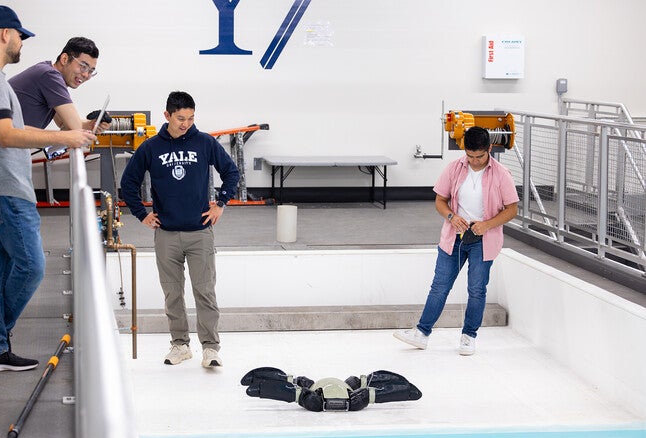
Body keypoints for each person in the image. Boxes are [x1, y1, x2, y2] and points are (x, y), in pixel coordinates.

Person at [0, 5, 96, 372]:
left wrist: (66, 133)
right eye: (20, 35)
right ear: (6, 34)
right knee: (33, 266)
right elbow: (4, 135)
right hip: (3, 189)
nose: (22, 42)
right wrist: (67, 135)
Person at [0, 36, 107, 329]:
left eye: (90, 71)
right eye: (82, 66)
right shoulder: (49, 75)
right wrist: (80, 128)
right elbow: (70, 128)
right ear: (64, 59)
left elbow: (65, 124)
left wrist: (92, 123)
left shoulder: (47, 77)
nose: (84, 75)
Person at [120, 91, 240, 368]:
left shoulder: (205, 142)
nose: (185, 123)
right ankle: (180, 345)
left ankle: (210, 348)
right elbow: (129, 183)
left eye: (190, 118)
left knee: (205, 291)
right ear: (167, 116)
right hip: (166, 234)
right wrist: (142, 215)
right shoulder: (150, 148)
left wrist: (221, 203)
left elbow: (231, 172)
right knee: (172, 293)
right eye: (180, 118)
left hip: (200, 233)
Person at [394, 126, 518, 356]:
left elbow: (512, 209)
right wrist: (452, 216)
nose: (475, 161)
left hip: (483, 240)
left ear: (489, 149)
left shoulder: (502, 174)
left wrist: (486, 225)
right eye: (470, 156)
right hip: (454, 237)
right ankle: (422, 333)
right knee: (439, 287)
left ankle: (469, 336)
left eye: (480, 156)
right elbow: (440, 201)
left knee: (477, 290)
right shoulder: (454, 169)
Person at [241, 367, 422, 412]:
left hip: (326, 388)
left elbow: (298, 389)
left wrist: (299, 393)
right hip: (326, 388)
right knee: (362, 388)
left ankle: (261, 381)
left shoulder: (309, 389)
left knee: (302, 387)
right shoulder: (311, 389)